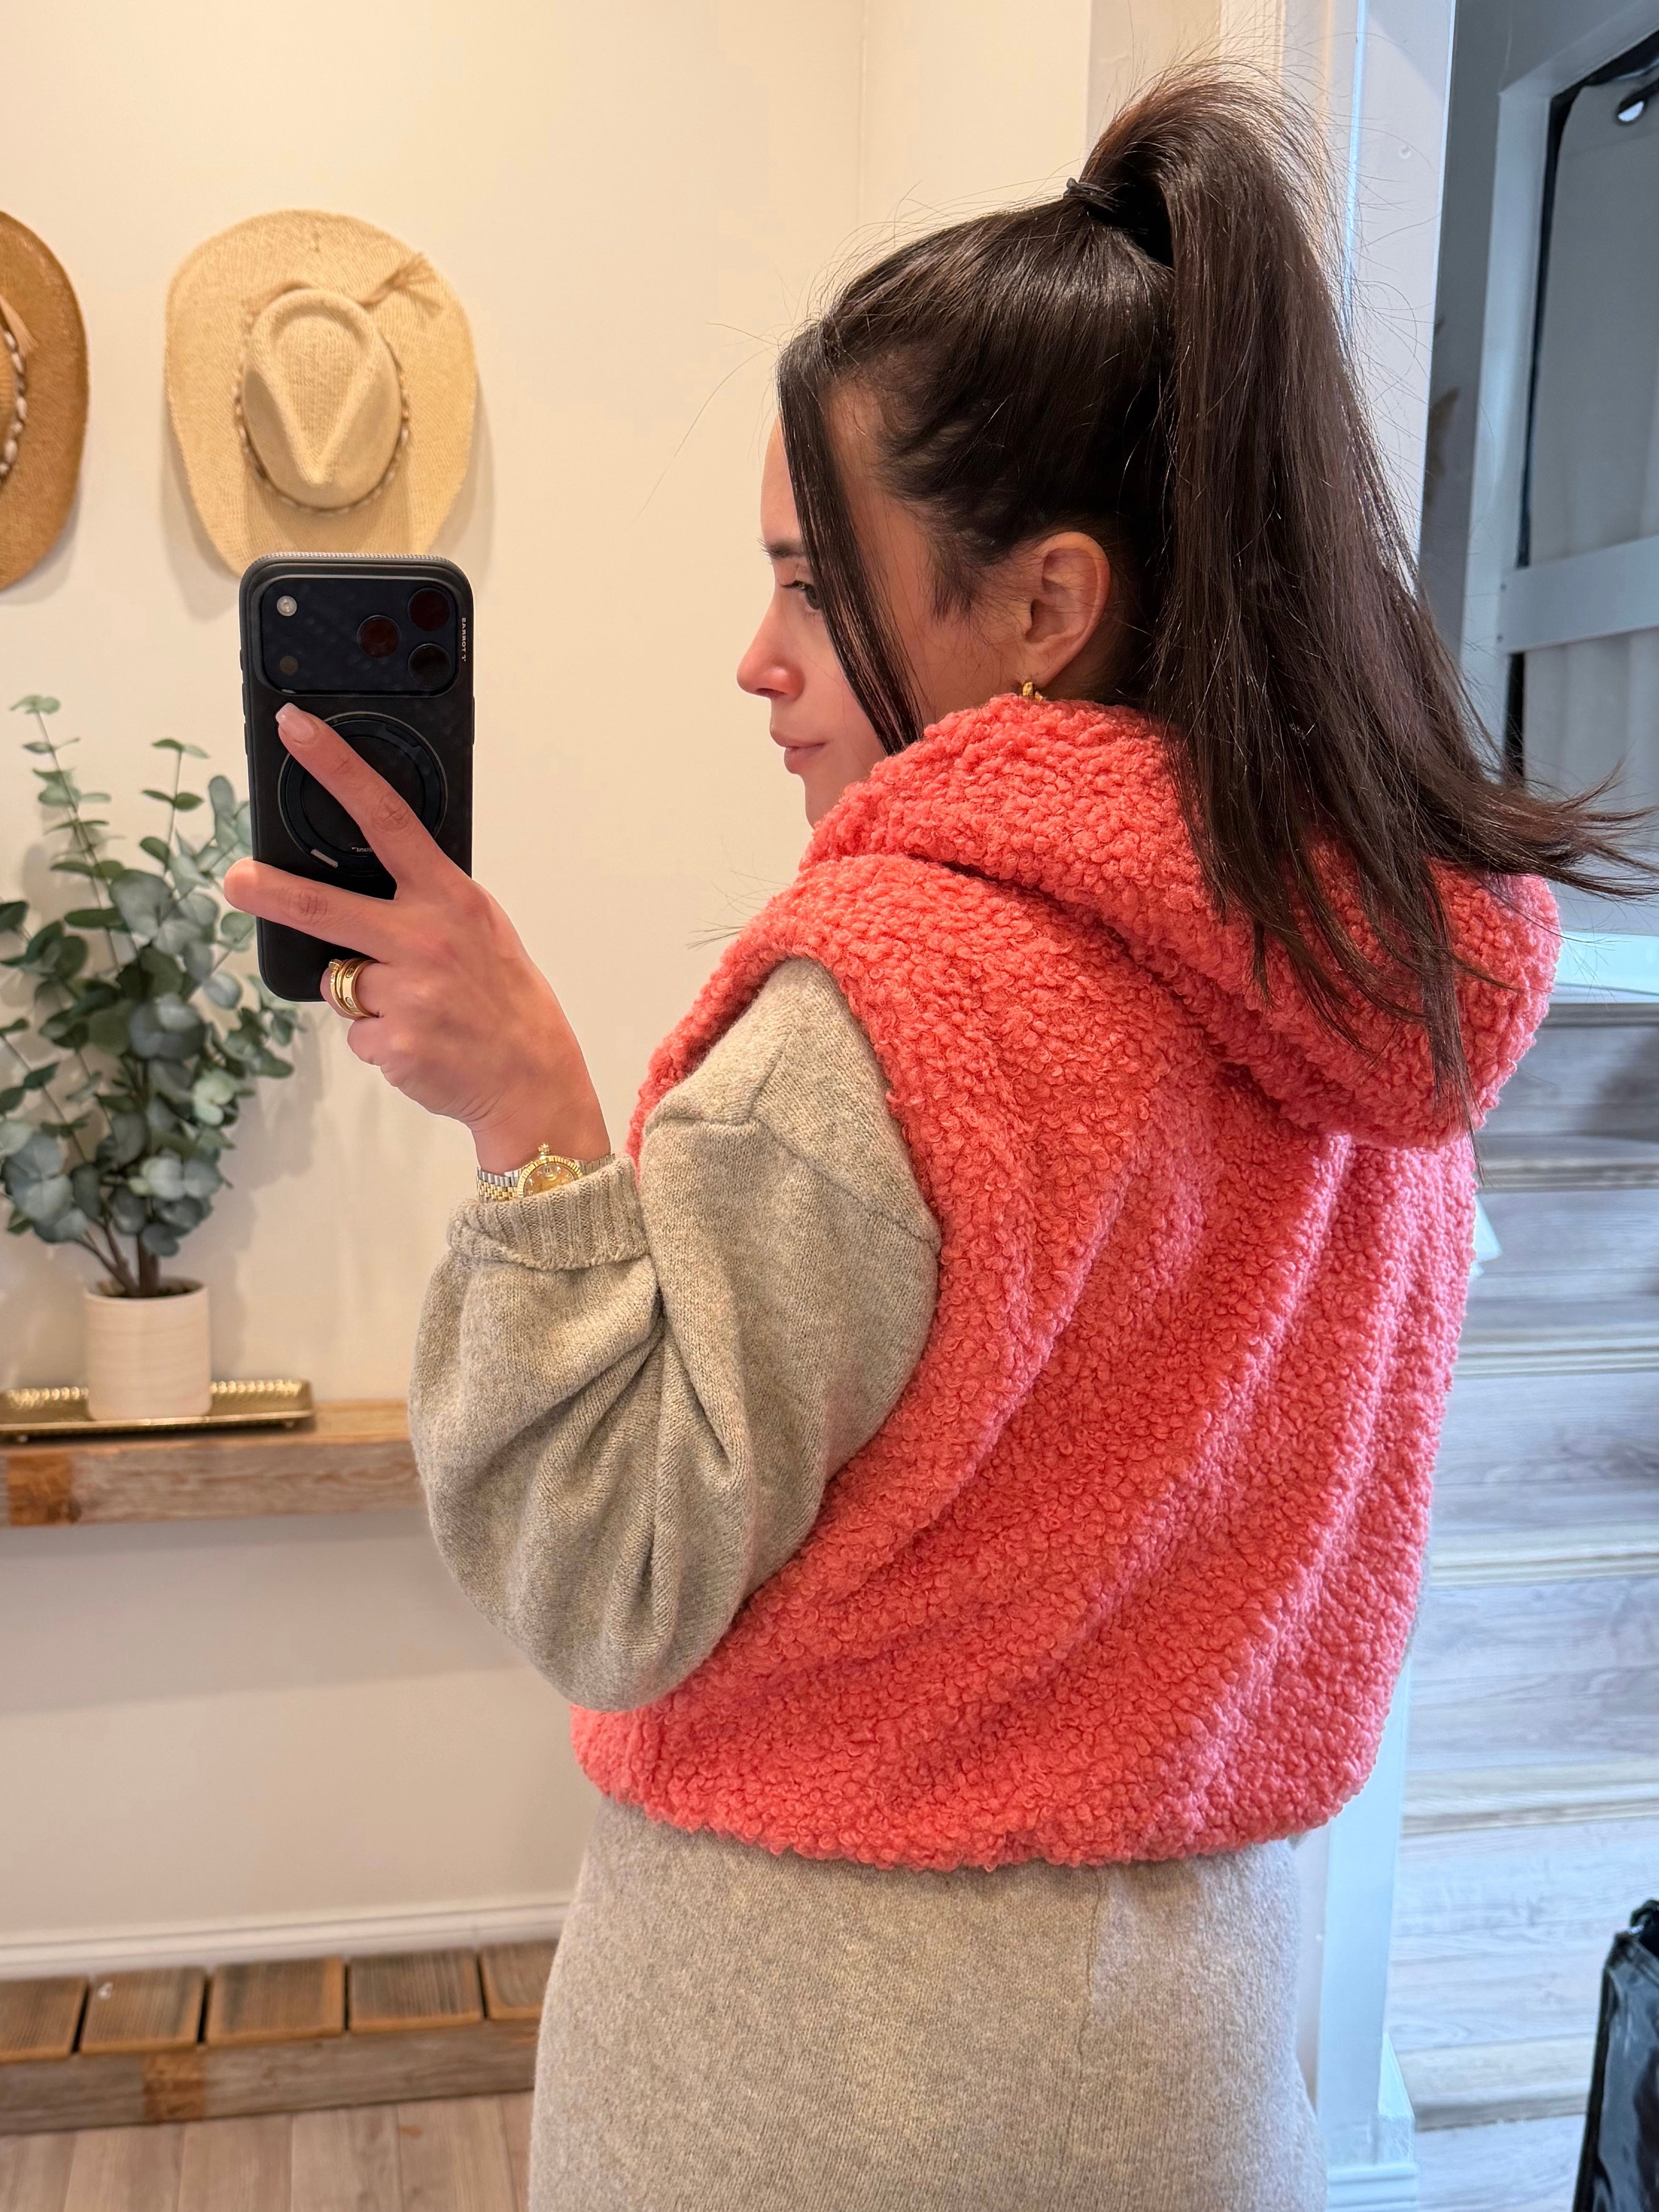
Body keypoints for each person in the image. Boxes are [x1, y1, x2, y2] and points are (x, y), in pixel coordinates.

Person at [226, 67, 1641, 2212]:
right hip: (1196, 2051)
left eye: (811, 587)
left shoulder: (900, 1000)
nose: (755, 661)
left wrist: (531, 1116)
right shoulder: (1360, 989)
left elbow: (608, 1581)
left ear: (1047, 605)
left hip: (833, 2076)